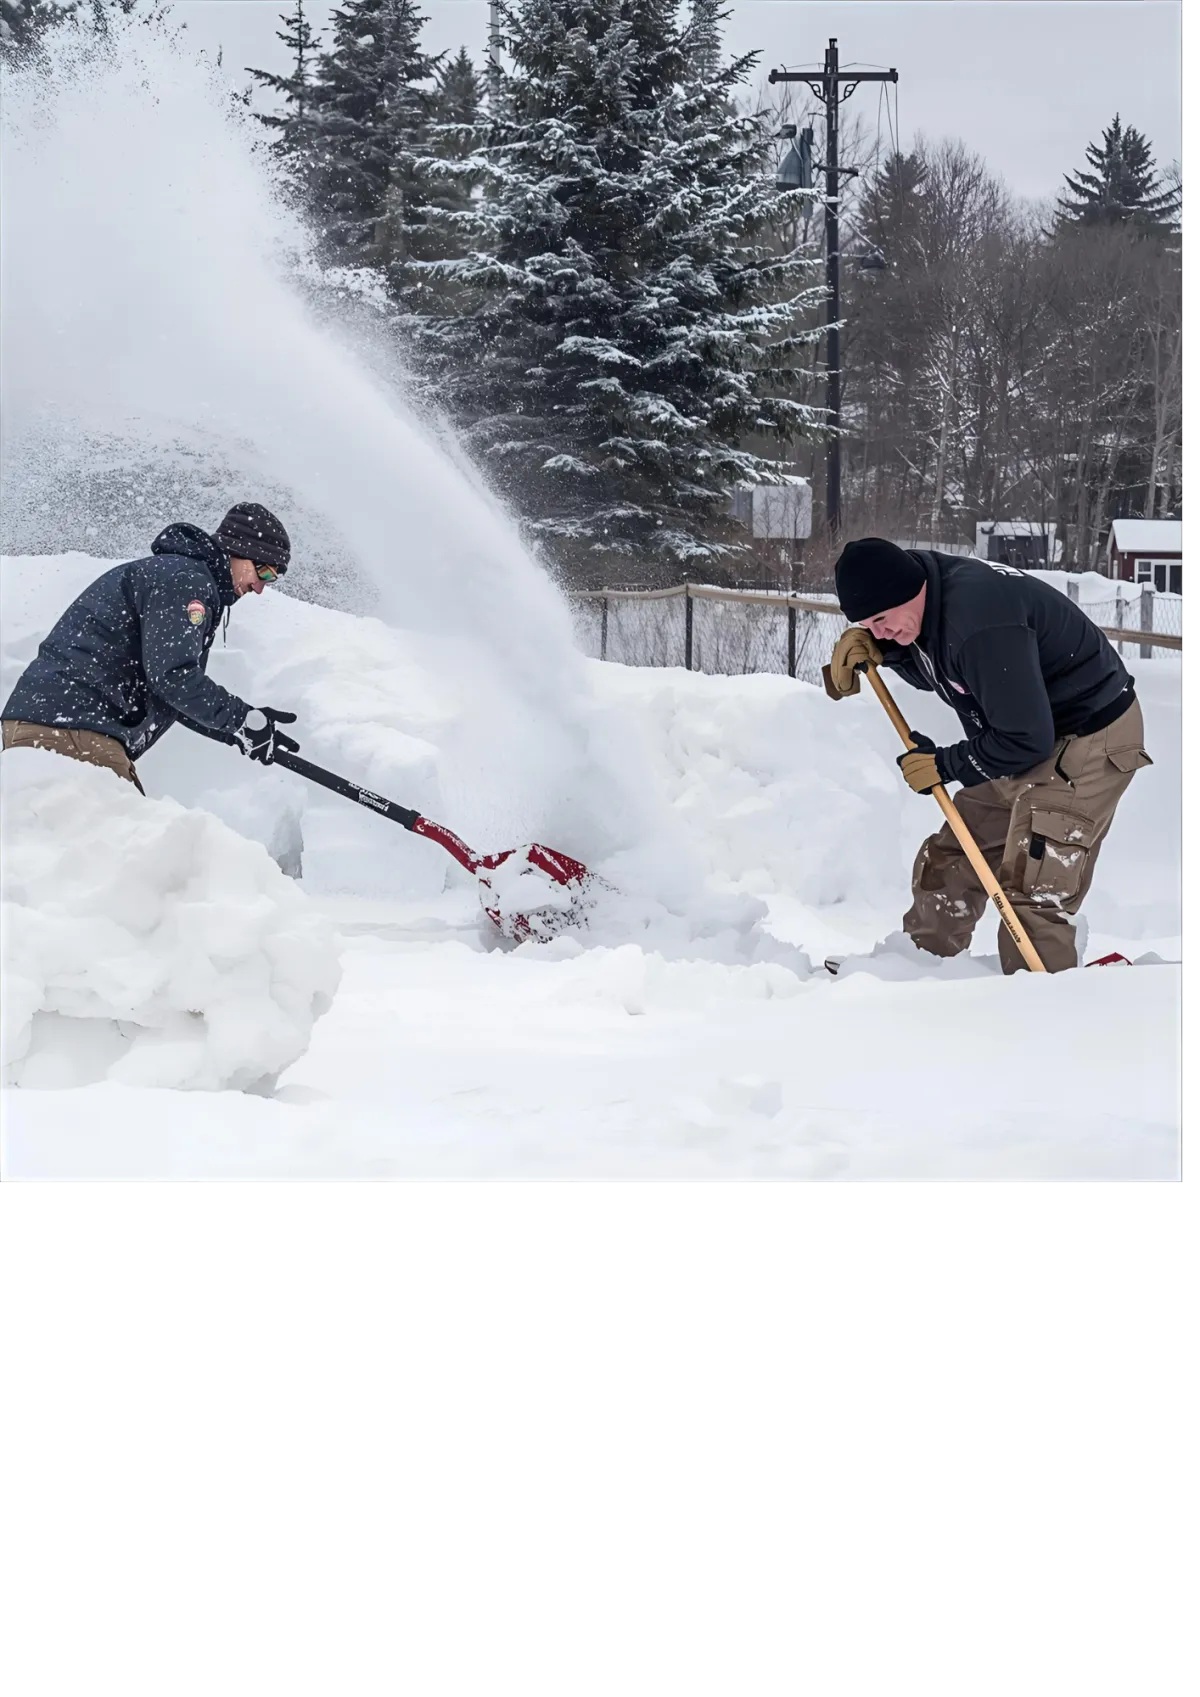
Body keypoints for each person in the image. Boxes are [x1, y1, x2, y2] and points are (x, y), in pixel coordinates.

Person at [824, 537, 1153, 974]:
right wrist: (888, 651)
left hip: (1090, 735)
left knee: (1034, 885)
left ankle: (1037, 1010)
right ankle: (918, 971)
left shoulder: (979, 620)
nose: (877, 630)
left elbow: (1024, 738)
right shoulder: (925, 592)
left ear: (908, 590)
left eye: (881, 620)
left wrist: (945, 764)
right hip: (1024, 734)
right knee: (954, 855)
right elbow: (950, 671)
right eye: (867, 624)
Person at [2, 503, 301, 792]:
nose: (260, 587)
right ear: (237, 551)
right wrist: (240, 719)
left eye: (271, 579)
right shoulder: (186, 580)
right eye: (262, 572)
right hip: (72, 731)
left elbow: (170, 694)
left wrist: (238, 732)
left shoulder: (180, 576)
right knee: (135, 841)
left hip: (58, 725)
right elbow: (174, 678)